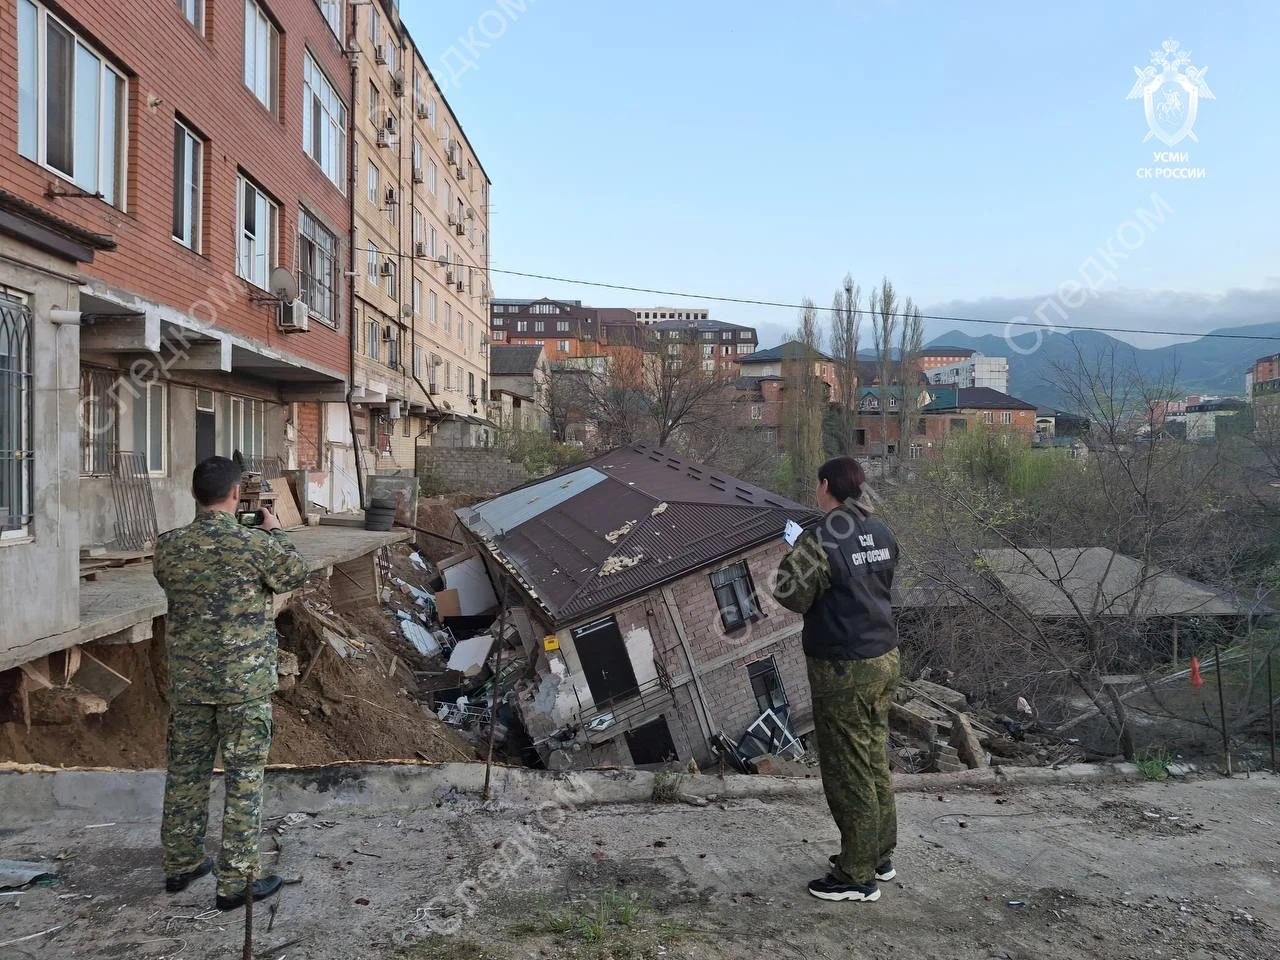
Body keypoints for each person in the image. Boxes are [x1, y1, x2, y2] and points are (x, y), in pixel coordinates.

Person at [154, 456, 310, 910]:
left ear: (193, 494)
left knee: (186, 773)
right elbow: (294, 573)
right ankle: (236, 881)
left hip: (190, 683)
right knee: (244, 778)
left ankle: (181, 863)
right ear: (238, 494)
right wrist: (275, 529)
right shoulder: (253, 545)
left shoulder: (169, 547)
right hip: (244, 687)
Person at [774, 456, 900, 903]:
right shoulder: (881, 530)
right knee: (872, 758)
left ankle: (856, 875)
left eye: (817, 483)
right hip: (883, 658)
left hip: (843, 668)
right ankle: (878, 854)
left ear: (826, 486)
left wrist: (793, 555)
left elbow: (791, 595)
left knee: (848, 769)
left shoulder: (821, 538)